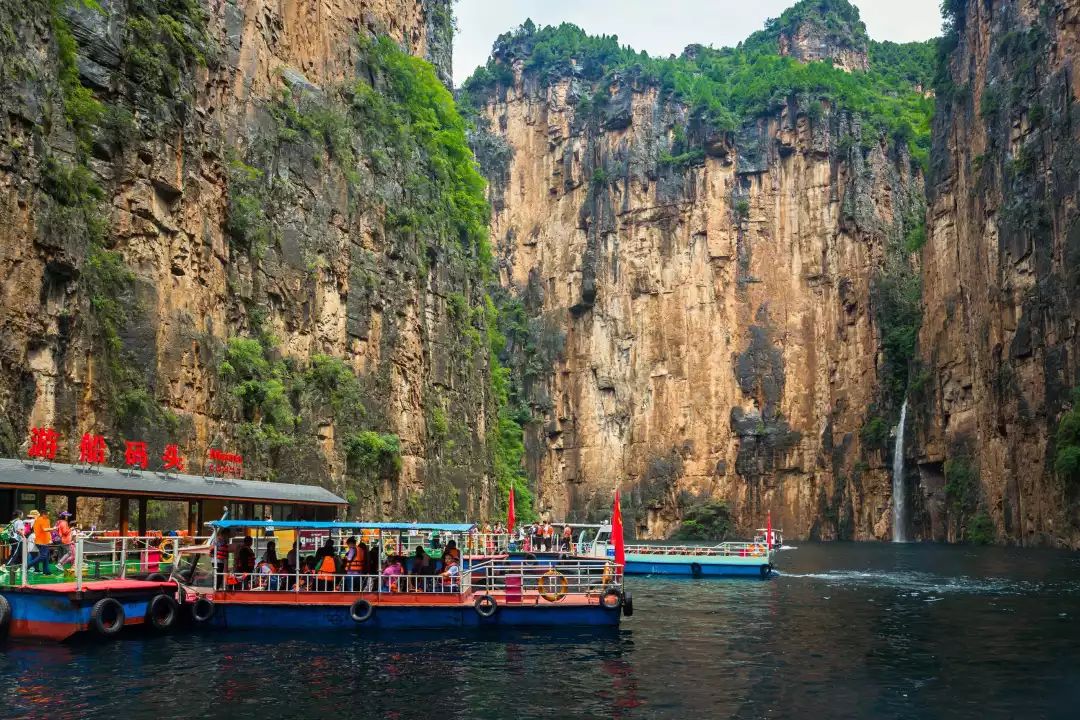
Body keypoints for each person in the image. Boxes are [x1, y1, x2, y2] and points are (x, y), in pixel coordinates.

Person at [28, 509, 54, 575]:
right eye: (47, 514)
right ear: (43, 514)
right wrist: (54, 528)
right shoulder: (40, 520)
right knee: (43, 555)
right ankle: (28, 565)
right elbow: (44, 529)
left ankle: (46, 571)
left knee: (46, 556)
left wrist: (50, 538)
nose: (49, 515)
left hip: (44, 540)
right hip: (41, 541)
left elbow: (47, 530)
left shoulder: (46, 520)